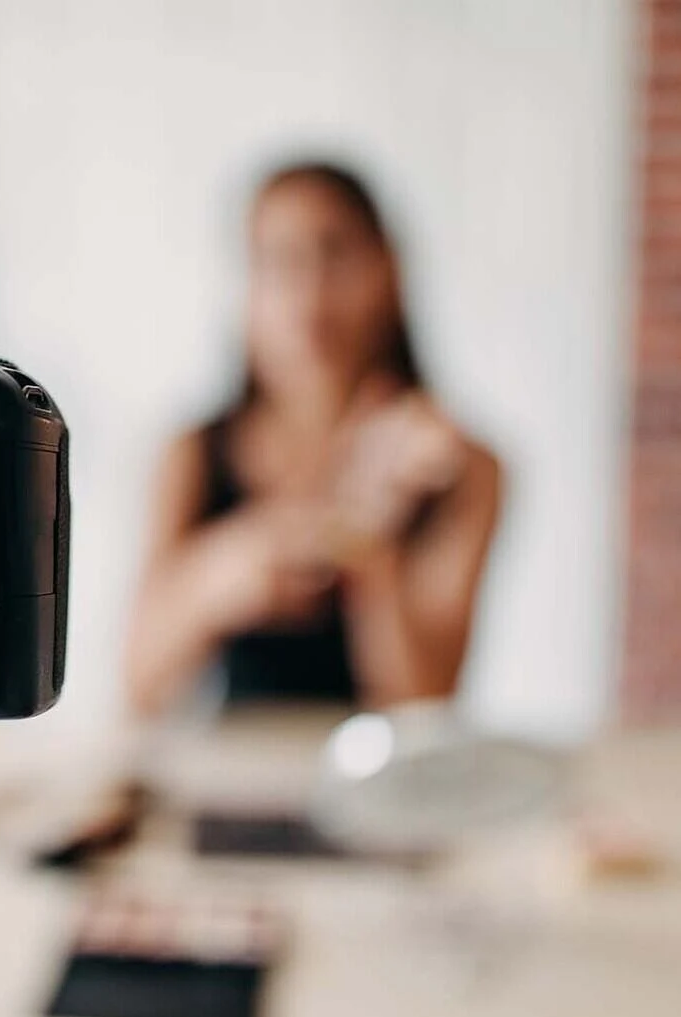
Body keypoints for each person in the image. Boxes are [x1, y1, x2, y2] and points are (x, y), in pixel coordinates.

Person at [125, 162, 501, 715]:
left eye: (336, 253)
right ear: (248, 291)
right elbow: (138, 689)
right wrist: (225, 570)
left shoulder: (462, 467)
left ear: (388, 271)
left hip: (386, 787)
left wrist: (372, 544)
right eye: (280, 261)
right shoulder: (191, 453)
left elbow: (423, 707)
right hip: (238, 781)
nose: (310, 291)